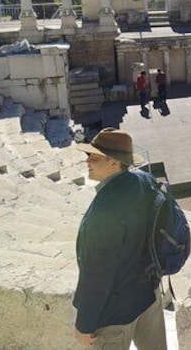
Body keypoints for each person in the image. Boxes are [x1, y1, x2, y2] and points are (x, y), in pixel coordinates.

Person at [73, 128, 167, 349]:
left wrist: (84, 324)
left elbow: (97, 273)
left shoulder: (105, 210)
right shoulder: (145, 182)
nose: (88, 161)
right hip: (148, 295)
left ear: (114, 163)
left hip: (116, 312)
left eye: (94, 156)